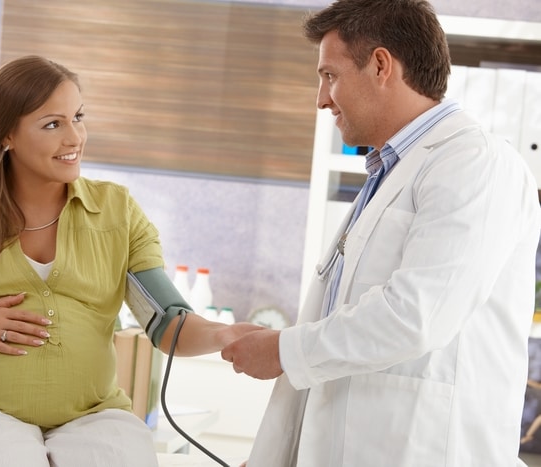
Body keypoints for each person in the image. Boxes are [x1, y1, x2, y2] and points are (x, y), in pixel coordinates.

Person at [0, 55, 260, 467]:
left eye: (78, 117)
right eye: (53, 124)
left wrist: (225, 336)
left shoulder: (117, 211)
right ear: (7, 136)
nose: (74, 137)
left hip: (92, 419)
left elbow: (165, 319)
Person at [221, 1, 541, 466]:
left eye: (330, 75)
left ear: (380, 65)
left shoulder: (475, 163)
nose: (321, 98)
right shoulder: (390, 174)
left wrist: (283, 350)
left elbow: (417, 315)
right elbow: (340, 332)